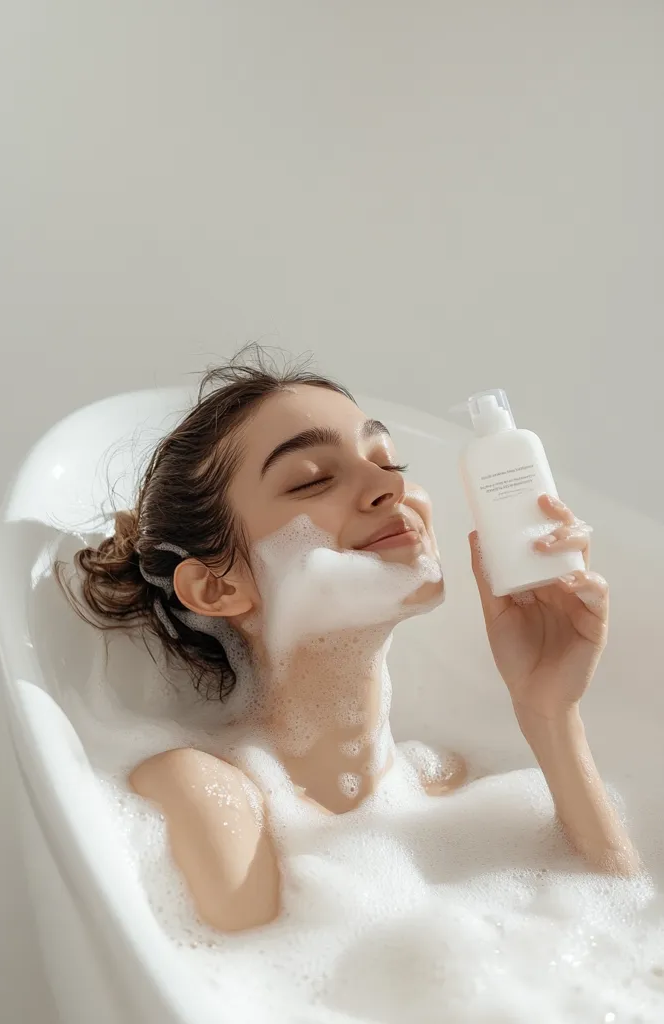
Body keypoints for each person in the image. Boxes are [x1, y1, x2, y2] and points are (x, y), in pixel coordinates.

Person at [69, 349, 639, 932]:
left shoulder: (449, 785)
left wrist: (549, 712)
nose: (389, 488)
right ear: (215, 590)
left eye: (389, 461)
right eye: (312, 480)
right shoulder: (209, 794)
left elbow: (622, 922)